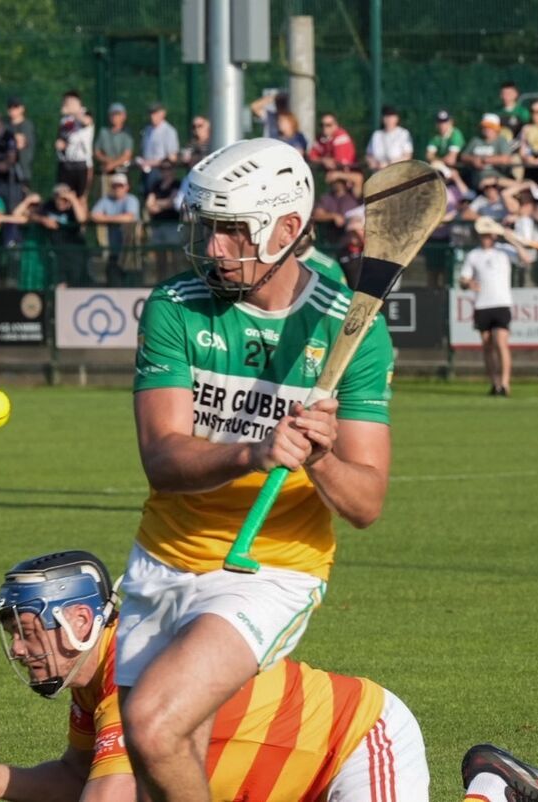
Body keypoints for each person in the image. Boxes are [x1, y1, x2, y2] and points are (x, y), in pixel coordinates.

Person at [121, 138, 394, 802]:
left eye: (231, 231)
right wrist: (254, 450)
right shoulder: (174, 306)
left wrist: (322, 456)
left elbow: (365, 505)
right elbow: (162, 459)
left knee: (153, 725)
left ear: (287, 228)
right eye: (207, 228)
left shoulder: (350, 327)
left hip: (271, 564)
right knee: (164, 753)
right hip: (163, 556)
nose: (213, 248)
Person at [0, 551, 538, 802]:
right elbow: (81, 777)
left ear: (79, 619)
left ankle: (491, 791)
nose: (20, 648)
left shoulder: (128, 677)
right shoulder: (92, 687)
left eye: (28, 629)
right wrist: (3, 778)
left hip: (355, 744)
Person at [460, 229, 517, 396]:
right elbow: (464, 279)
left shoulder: (504, 251)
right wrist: (467, 283)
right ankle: (495, 383)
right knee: (487, 346)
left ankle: (505, 383)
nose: (486, 238)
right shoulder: (474, 255)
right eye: (483, 235)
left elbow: (526, 258)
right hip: (482, 305)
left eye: (489, 235)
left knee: (501, 342)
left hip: (502, 303)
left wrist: (512, 240)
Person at [31, 183, 88, 287]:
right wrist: (43, 220)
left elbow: (82, 219)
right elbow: (32, 215)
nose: (61, 202)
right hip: (57, 253)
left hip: (75, 252)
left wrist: (73, 199)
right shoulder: (49, 206)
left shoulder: (73, 209)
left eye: (64, 199)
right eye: (58, 198)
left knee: (76, 282)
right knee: (59, 284)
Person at [90, 173, 141, 286]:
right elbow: (94, 216)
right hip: (114, 251)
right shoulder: (106, 200)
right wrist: (117, 219)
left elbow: (129, 217)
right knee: (113, 278)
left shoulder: (131, 200)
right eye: (115, 186)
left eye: (120, 186)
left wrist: (106, 219)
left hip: (130, 252)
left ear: (127, 187)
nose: (118, 189)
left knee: (132, 282)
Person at [144, 160, 182, 282]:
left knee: (175, 257)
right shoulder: (156, 185)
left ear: (173, 170)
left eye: (168, 168)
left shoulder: (177, 184)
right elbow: (149, 205)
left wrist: (158, 203)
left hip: (172, 225)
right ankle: (162, 282)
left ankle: (176, 281)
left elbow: (173, 202)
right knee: (160, 258)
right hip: (158, 225)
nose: (166, 171)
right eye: (163, 169)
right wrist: (163, 203)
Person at [55, 91, 94, 200]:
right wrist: (60, 145)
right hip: (65, 164)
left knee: (81, 198)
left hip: (81, 165)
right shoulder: (64, 120)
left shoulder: (84, 113)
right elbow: (62, 138)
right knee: (63, 197)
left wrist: (74, 111)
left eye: (69, 102)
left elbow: (86, 121)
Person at [137, 102, 180, 191]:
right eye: (151, 113)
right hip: (146, 171)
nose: (152, 116)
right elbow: (142, 151)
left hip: (161, 173)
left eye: (155, 113)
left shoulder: (169, 131)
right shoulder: (147, 130)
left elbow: (172, 158)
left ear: (163, 113)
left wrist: (151, 163)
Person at [94, 102, 134, 197]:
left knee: (121, 198)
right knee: (105, 197)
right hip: (106, 173)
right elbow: (97, 152)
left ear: (124, 116)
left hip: (122, 172)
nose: (115, 117)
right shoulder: (103, 132)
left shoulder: (127, 134)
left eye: (118, 114)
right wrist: (108, 161)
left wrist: (112, 164)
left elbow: (127, 155)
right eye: (113, 114)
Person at [366, 105, 413, 170]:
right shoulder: (376, 135)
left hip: (397, 171)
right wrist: (375, 164)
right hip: (378, 173)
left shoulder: (403, 133)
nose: (389, 119)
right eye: (387, 116)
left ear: (397, 118)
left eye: (392, 116)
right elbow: (369, 155)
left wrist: (389, 164)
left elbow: (407, 156)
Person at [6, 97, 36, 192]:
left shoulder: (26, 125)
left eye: (16, 107)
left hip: (23, 170)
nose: (13, 110)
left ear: (22, 108)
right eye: (10, 107)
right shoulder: (6, 126)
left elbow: (21, 143)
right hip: (7, 170)